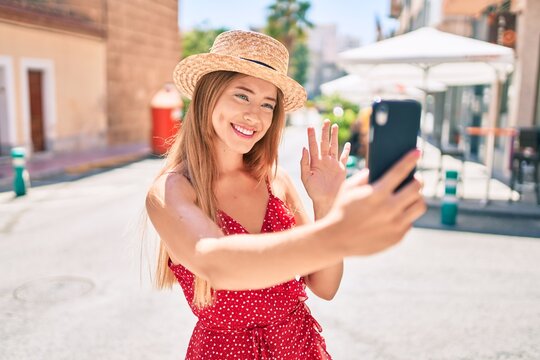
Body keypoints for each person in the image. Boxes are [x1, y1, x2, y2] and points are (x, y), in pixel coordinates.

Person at [145, 30, 426, 360]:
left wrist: (326, 204)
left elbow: (325, 287)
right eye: (242, 95)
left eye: (268, 104)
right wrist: (339, 231)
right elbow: (216, 263)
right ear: (209, 95)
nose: (255, 115)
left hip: (299, 349)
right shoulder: (171, 190)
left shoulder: (276, 182)